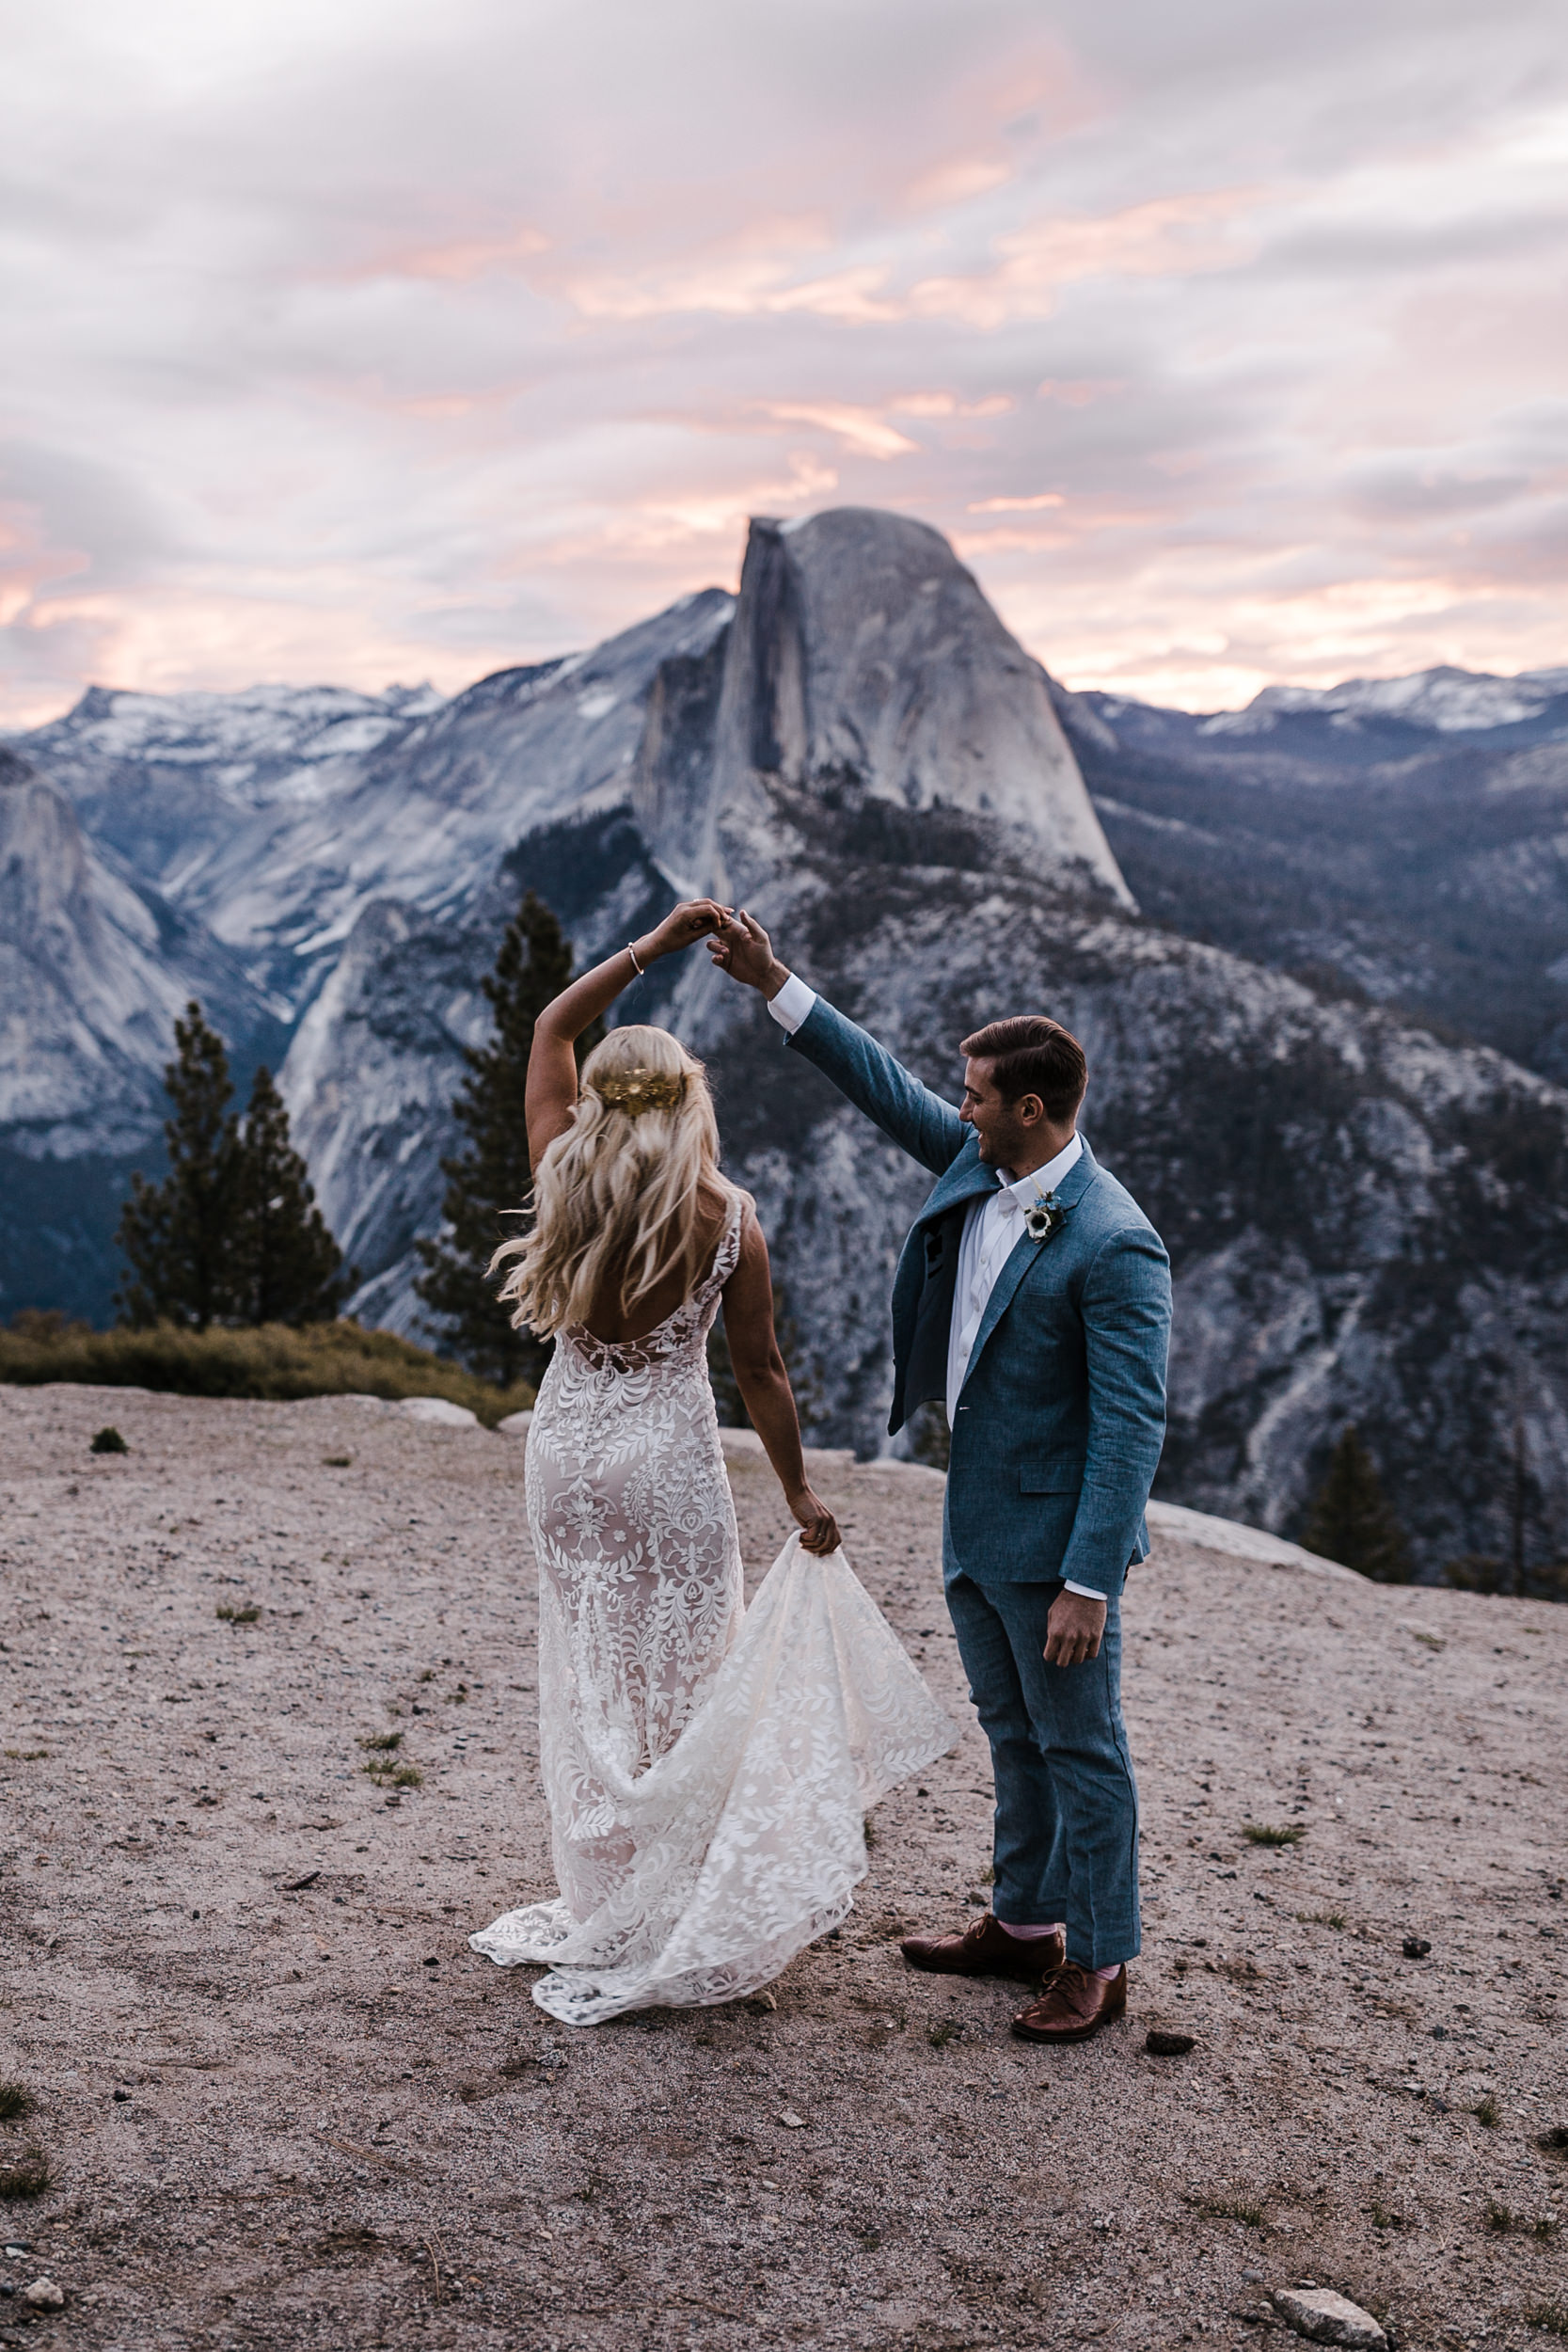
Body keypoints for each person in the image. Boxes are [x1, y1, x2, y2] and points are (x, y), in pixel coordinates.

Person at [469, 899, 954, 2025]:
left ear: (596, 1100)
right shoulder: (726, 1217)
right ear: (693, 1102)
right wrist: (797, 1489)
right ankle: (675, 1900)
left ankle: (603, 1894)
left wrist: (650, 945)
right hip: (664, 1463)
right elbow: (762, 1371)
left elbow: (548, 1026)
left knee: (591, 1669)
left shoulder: (560, 1179)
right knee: (690, 1678)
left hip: (565, 1454)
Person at [710, 911, 1171, 2046]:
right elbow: (881, 1087)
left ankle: (1099, 1958)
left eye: (973, 1093)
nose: (953, 1105)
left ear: (1029, 1107)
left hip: (1056, 1549)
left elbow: (1129, 1422)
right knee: (1012, 1734)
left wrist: (1089, 1579)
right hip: (973, 1521)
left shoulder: (1113, 1241)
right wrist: (777, 984)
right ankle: (1020, 1926)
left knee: (1082, 1746)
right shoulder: (981, 1159)